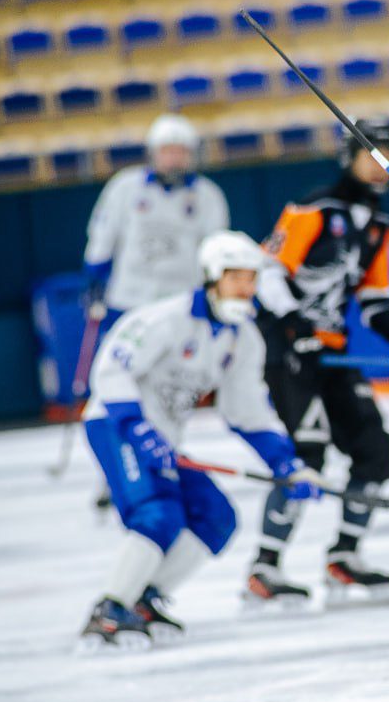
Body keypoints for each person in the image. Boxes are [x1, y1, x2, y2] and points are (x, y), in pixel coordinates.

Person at [78, 231, 318, 650]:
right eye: (236, 278)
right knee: (158, 514)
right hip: (116, 426)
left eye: (251, 279)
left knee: (216, 516)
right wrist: (137, 428)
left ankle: (144, 598)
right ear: (211, 277)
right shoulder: (165, 319)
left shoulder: (243, 338)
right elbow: (112, 371)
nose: (246, 288)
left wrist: (285, 462)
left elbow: (246, 411)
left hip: (163, 439)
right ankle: (108, 609)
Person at [247, 119, 389, 608]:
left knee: (373, 449)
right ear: (348, 157)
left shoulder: (379, 226)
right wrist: (294, 327)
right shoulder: (313, 208)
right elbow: (267, 274)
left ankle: (344, 556)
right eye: (371, 154)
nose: (381, 165)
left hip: (333, 351)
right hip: (289, 350)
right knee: (306, 455)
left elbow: (376, 300)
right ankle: (264, 568)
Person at [82, 113, 230, 343]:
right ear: (153, 152)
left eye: (181, 151)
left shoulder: (208, 195)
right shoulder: (125, 186)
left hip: (182, 301)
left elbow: (215, 249)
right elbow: (103, 233)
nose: (174, 158)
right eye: (167, 151)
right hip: (129, 299)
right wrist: (94, 275)